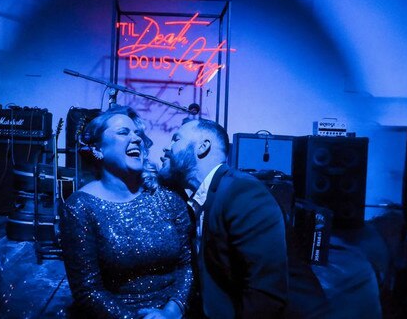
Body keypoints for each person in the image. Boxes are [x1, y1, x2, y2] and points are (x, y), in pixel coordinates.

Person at [60, 105, 194, 319]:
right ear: (98, 148)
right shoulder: (80, 207)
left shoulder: (168, 196)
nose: (137, 139)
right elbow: (87, 290)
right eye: (123, 132)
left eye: (138, 133)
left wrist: (173, 310)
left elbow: (187, 265)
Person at [159, 118, 288, 318]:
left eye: (176, 139)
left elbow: (264, 293)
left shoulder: (242, 192)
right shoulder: (197, 196)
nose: (167, 148)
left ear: (202, 147)